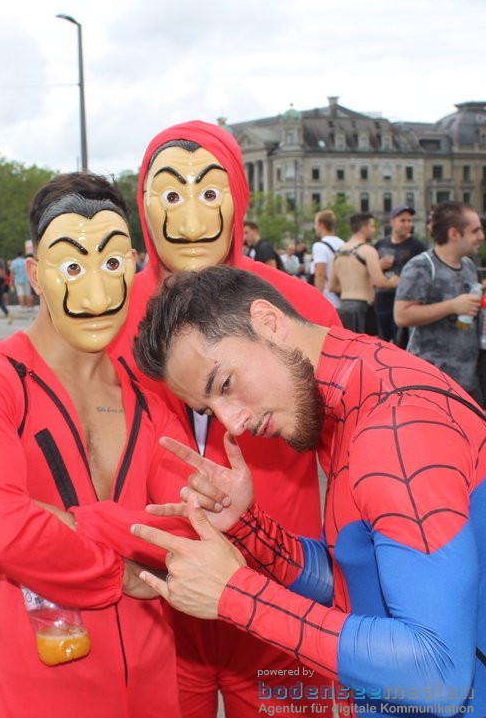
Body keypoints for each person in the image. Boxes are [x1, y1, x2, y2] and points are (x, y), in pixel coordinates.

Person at [124, 265, 486, 716]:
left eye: (225, 385)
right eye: (209, 409)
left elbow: (437, 673)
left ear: (268, 321)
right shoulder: (353, 387)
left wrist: (237, 596)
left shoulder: (394, 428)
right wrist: (249, 527)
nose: (233, 423)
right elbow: (359, 579)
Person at [95, 121, 338, 717]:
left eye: (210, 191)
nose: (194, 218)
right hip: (159, 591)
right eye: (172, 195)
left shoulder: (299, 308)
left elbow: (349, 445)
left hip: (279, 585)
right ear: (145, 206)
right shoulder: (108, 320)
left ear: (239, 193)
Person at [0, 173, 190, 717]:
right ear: (35, 274)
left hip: (152, 675)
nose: (96, 291)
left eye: (111, 262)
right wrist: (122, 570)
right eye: (73, 266)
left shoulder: (150, 393)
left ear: (132, 265)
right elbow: (0, 528)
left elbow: (186, 522)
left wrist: (75, 523)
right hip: (38, 679)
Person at [394, 202, 486, 406]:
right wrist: (452, 306)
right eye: (475, 231)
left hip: (467, 380)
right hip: (431, 381)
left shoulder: (469, 266)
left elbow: (466, 311)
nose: (482, 236)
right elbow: (401, 315)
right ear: (454, 234)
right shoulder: (421, 266)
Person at [327, 212, 395, 335]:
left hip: (344, 308)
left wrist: (352, 285)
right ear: (364, 228)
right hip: (364, 309)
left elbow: (332, 286)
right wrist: (396, 281)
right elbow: (379, 282)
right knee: (368, 350)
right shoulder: (368, 251)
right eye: (372, 226)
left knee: (347, 349)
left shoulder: (339, 252)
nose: (374, 230)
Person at [373, 205, 427, 343]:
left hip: (404, 303)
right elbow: (370, 271)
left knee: (401, 346)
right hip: (381, 302)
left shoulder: (418, 246)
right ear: (392, 222)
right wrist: (378, 266)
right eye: (403, 220)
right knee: (382, 345)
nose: (407, 224)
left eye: (409, 221)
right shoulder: (380, 244)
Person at [310, 210, 344, 308]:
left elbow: (320, 273)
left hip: (327, 297)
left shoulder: (319, 246)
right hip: (341, 296)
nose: (315, 227)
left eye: (316, 224)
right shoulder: (343, 243)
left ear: (322, 225)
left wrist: (317, 299)